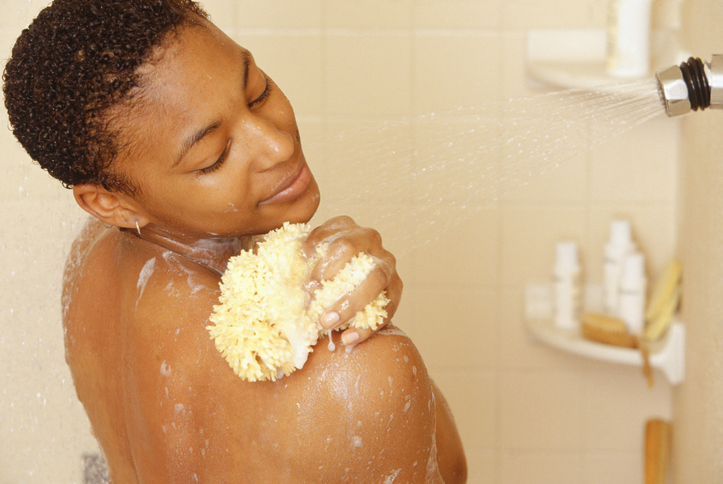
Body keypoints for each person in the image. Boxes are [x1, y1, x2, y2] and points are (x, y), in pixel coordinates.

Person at [3, 0, 467, 482]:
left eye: (257, 92)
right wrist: (384, 343)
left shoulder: (91, 258)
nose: (279, 145)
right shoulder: (353, 374)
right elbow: (451, 471)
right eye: (214, 156)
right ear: (110, 203)